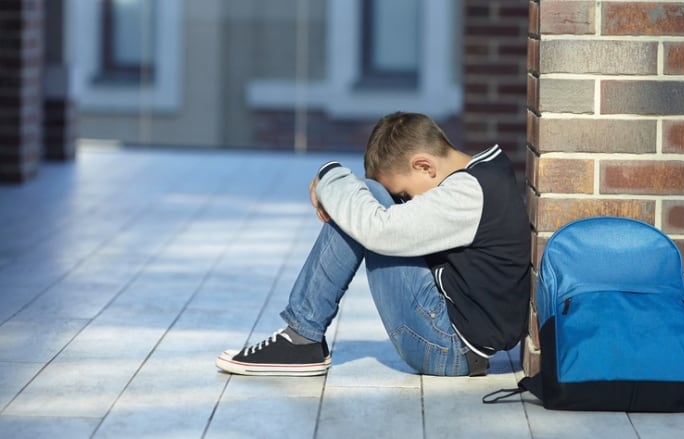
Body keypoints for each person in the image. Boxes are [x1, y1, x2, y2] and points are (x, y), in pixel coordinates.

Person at [215, 111, 531, 377]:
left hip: (448, 347)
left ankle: (301, 338)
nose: (404, 202)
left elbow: (377, 229)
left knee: (365, 208)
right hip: (457, 341)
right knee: (360, 204)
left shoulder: (467, 193)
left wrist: (330, 176)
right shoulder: (485, 172)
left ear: (424, 166)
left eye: (404, 194)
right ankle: (302, 337)